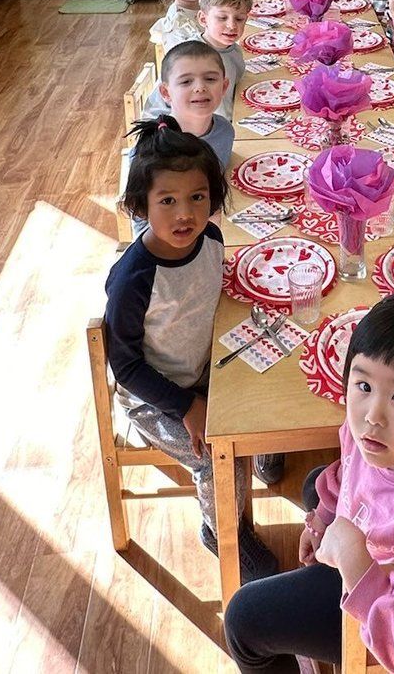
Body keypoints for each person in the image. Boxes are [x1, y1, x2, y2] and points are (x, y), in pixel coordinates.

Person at [223, 295, 394, 674]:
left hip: (390, 616)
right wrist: (324, 517)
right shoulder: (375, 437)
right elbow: (349, 472)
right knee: (314, 483)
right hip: (368, 552)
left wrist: (353, 561)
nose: (373, 416)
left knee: (243, 620)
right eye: (363, 385)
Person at [106, 118, 280, 579]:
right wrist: (185, 404)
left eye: (197, 198)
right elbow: (124, 365)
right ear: (140, 205)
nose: (184, 214)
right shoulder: (134, 278)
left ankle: (261, 451)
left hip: (205, 369)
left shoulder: (213, 240)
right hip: (152, 397)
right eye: (167, 201)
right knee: (214, 452)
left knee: (274, 388)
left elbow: (210, 290)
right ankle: (222, 531)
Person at [139, 40, 234, 166]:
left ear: (224, 87)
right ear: (166, 93)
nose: (200, 87)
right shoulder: (154, 146)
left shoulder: (225, 131)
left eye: (210, 79)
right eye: (186, 82)